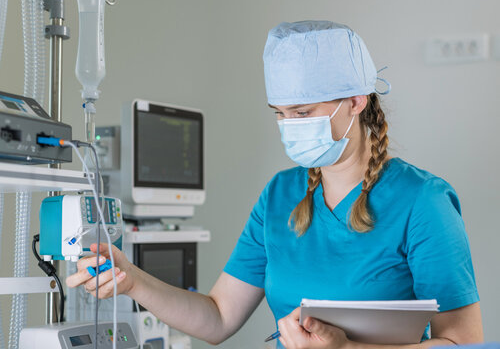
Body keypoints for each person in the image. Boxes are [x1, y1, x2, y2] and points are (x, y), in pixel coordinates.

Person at [66, 21, 483, 349]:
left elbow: (464, 343)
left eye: (303, 112)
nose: (289, 128)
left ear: (356, 100)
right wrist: (133, 281)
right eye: (280, 114)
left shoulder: (422, 202)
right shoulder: (280, 195)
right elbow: (217, 318)